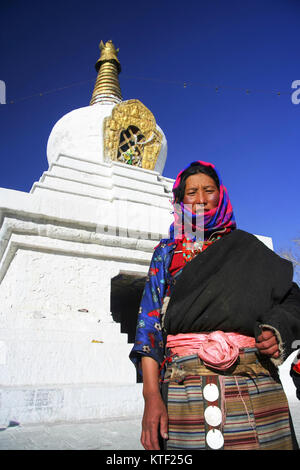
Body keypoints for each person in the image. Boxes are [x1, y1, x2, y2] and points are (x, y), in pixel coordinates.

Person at [130, 160, 300, 450]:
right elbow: (149, 326)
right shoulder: (167, 252)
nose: (200, 199)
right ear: (180, 199)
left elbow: (292, 298)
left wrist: (278, 329)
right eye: (191, 192)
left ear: (220, 195)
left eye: (208, 190)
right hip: (186, 388)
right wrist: (151, 396)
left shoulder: (247, 247)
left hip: (256, 384)